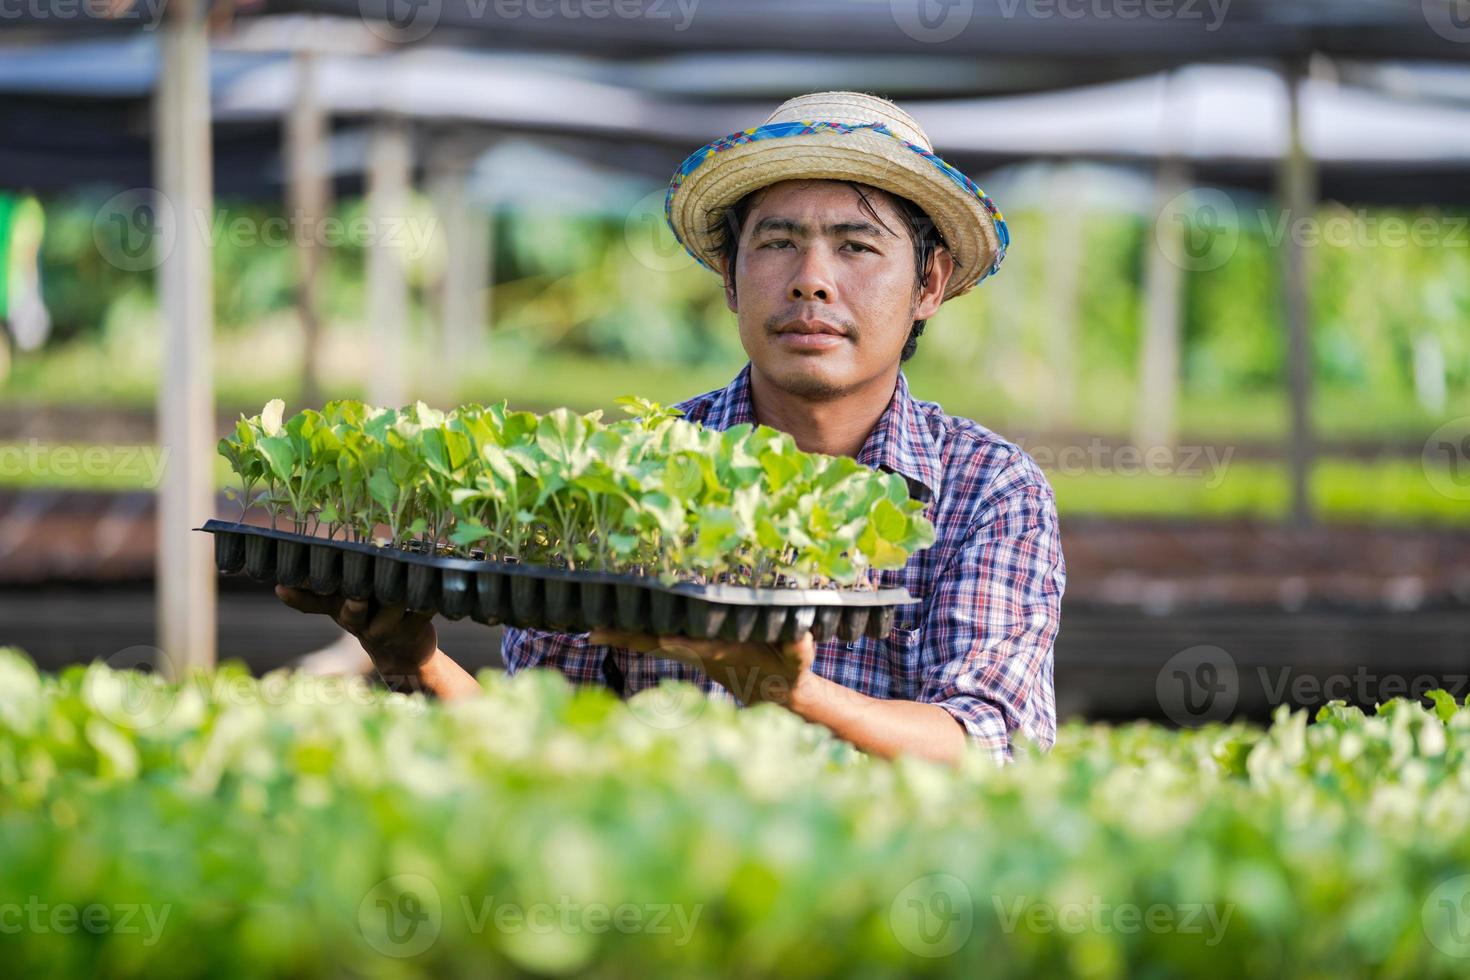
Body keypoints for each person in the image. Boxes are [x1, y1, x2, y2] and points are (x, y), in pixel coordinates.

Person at [278, 91, 1065, 766]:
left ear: (928, 284)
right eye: (777, 243)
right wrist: (409, 660)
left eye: (857, 246)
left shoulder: (989, 490)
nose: (812, 281)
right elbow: (541, 749)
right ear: (729, 278)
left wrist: (788, 691)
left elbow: (987, 743)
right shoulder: (615, 475)